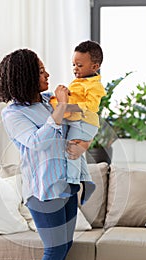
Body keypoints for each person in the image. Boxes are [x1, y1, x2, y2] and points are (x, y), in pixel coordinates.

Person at [0, 49, 95, 260]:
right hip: (43, 191)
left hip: (67, 182)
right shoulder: (13, 113)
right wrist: (61, 108)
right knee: (53, 249)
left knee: (64, 247)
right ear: (25, 76)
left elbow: (81, 119)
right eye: (40, 71)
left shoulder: (48, 100)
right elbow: (37, 143)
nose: (47, 74)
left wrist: (81, 95)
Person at [50, 40, 106, 184]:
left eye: (79, 65)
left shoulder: (94, 85)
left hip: (85, 123)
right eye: (73, 64)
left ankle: (72, 181)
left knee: (72, 150)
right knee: (78, 152)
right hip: (79, 122)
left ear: (95, 66)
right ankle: (85, 179)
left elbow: (92, 106)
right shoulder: (79, 81)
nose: (75, 68)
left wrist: (70, 107)